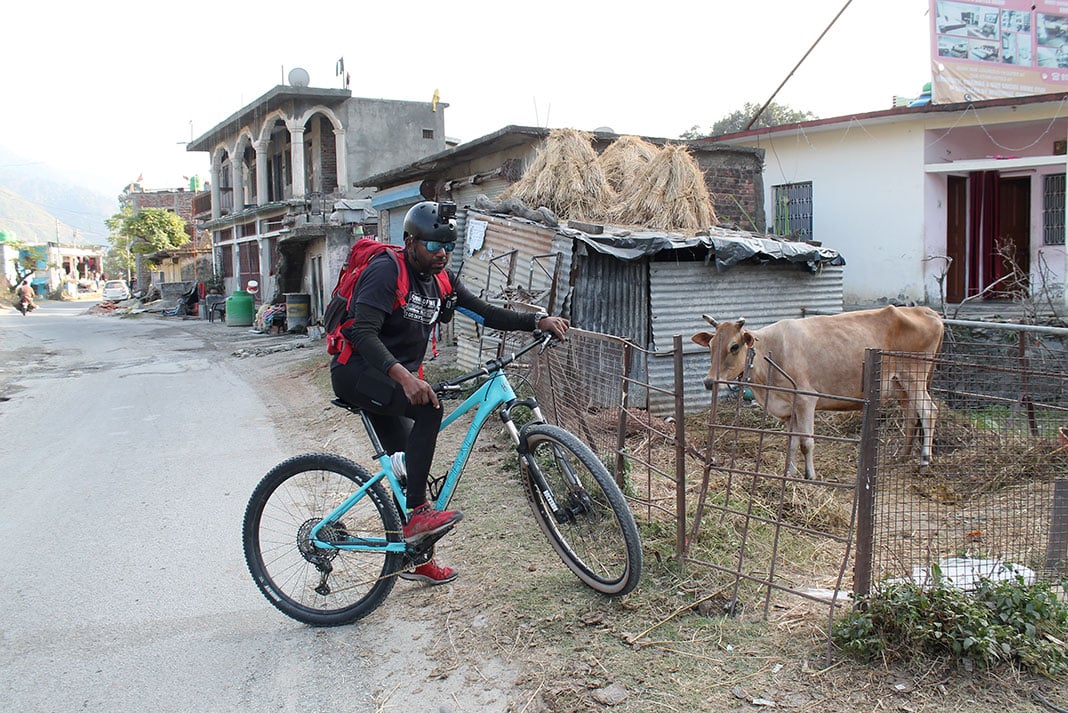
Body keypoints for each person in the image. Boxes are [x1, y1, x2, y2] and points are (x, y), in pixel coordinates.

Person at [330, 200, 569, 585]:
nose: (442, 254)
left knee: (410, 470)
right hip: (357, 371)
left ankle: (414, 556)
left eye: (448, 246)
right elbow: (362, 332)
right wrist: (406, 379)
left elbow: (485, 311)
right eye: (433, 246)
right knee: (429, 409)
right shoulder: (386, 271)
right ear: (410, 241)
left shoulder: (441, 280)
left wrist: (535, 321)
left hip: (391, 376)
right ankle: (419, 518)